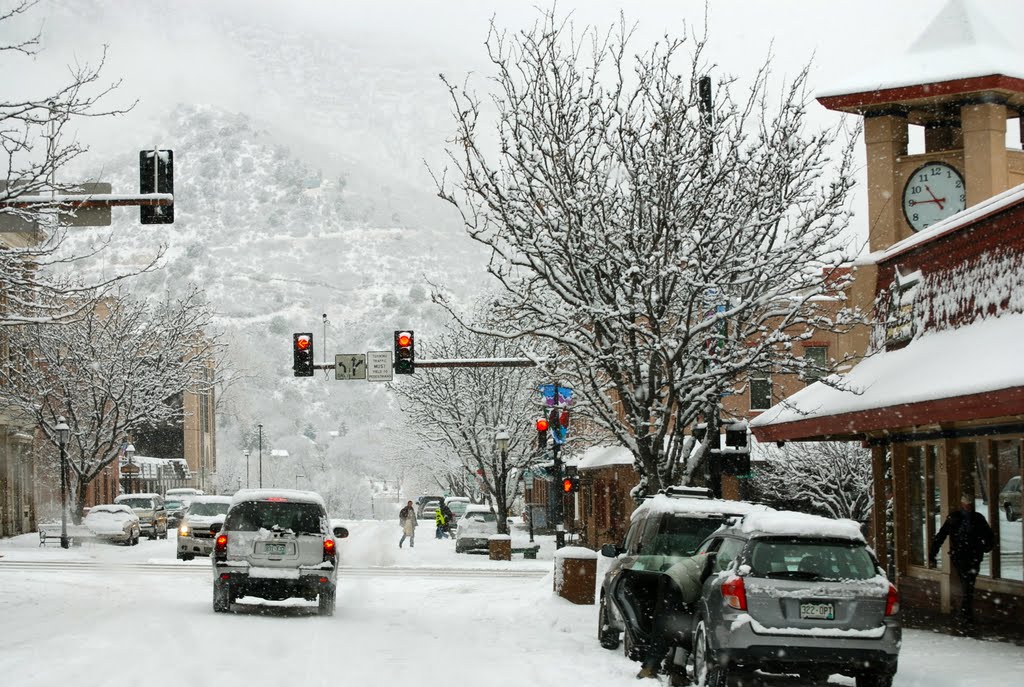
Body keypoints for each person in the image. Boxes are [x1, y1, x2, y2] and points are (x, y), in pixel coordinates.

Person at [930, 495, 994, 627]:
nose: (968, 506)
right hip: (960, 556)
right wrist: (933, 552)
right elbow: (942, 535)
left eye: (969, 504)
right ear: (962, 504)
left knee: (969, 583)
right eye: (966, 504)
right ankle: (966, 612)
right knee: (967, 583)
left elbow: (989, 535)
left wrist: (986, 547)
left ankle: (965, 612)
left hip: (973, 556)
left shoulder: (977, 518)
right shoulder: (955, 518)